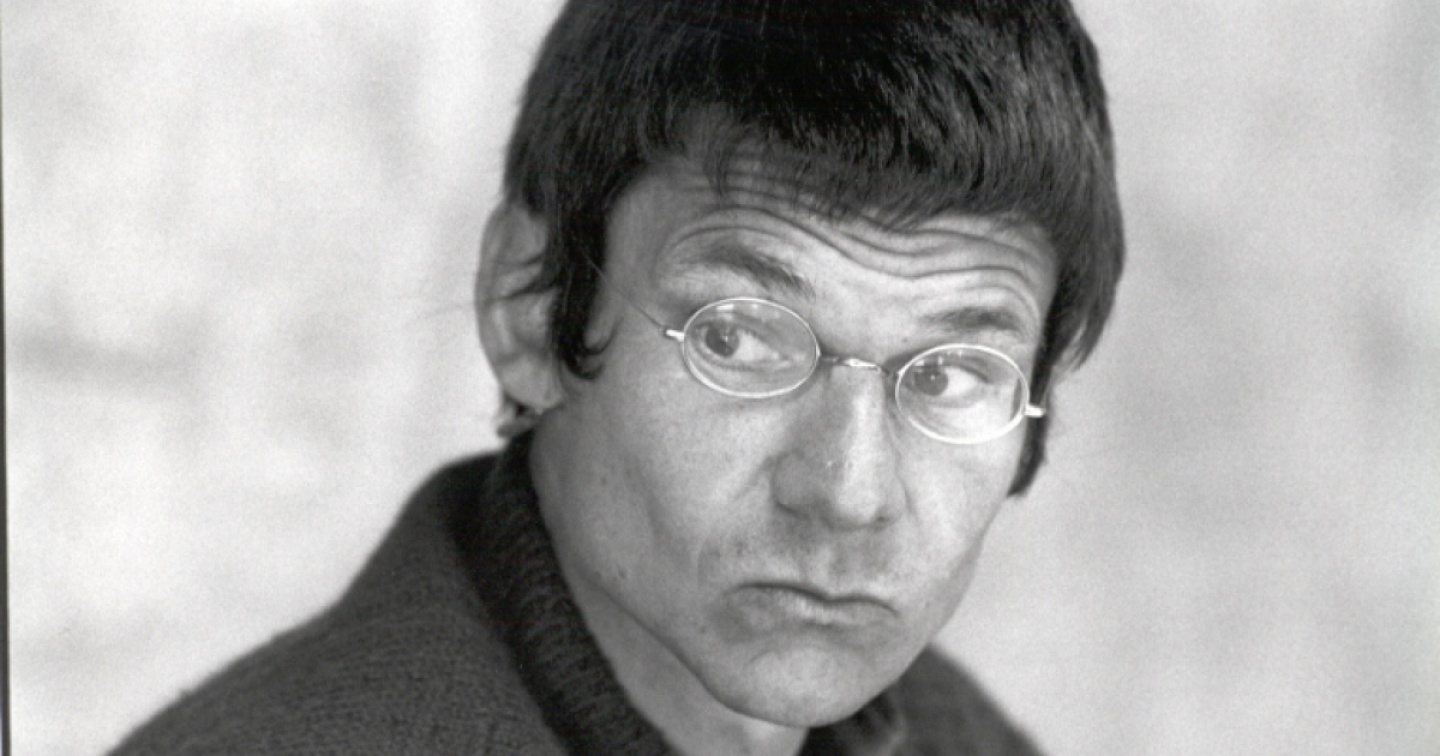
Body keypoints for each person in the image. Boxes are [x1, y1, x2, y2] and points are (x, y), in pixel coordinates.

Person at [111, 0, 1122, 753]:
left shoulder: (956, 739)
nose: (848, 492)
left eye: (951, 375)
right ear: (530, 308)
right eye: (739, 340)